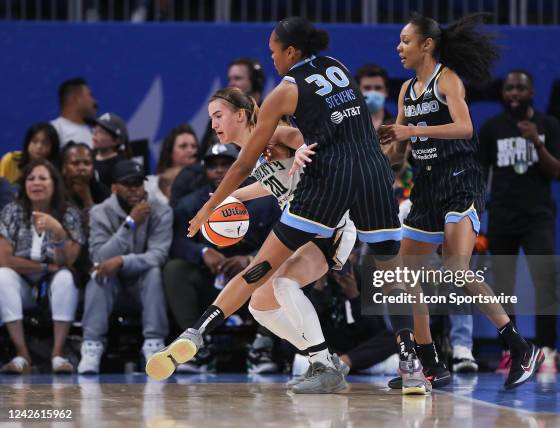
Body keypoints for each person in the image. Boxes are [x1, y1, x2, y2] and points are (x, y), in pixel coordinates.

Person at [147, 16, 400, 393]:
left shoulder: (277, 131)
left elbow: (306, 140)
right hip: (307, 215)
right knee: (260, 304)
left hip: (331, 219)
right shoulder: (261, 144)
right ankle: (324, 359)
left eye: (218, 115)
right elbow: (270, 183)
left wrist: (301, 155)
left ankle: (319, 363)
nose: (213, 123)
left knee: (276, 281)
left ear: (240, 112)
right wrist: (231, 198)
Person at [379, 13, 544, 391]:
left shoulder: (446, 79)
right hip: (426, 184)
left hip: (459, 179)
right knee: (402, 274)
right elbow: (401, 152)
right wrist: (381, 149)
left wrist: (411, 129)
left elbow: (465, 127)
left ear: (427, 45)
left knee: (456, 267)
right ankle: (429, 361)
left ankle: (520, 347)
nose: (398, 47)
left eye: (405, 40)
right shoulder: (406, 91)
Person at [163, 141, 279, 374]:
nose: (218, 170)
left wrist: (249, 259)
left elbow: (282, 240)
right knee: (174, 269)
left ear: (240, 166)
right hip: (210, 281)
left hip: (251, 281)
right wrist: (203, 253)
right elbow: (176, 242)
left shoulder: (264, 200)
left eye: (226, 164)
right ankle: (194, 346)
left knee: (278, 270)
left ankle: (262, 347)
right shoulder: (191, 203)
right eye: (213, 165)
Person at [479, 70, 560, 374]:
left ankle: (548, 350)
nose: (514, 93)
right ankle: (511, 351)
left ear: (532, 92)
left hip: (538, 216)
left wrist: (536, 143)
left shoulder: (548, 125)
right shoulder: (491, 129)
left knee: (546, 282)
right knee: (503, 286)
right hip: (502, 216)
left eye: (520, 88)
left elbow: (555, 171)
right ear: (503, 94)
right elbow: (481, 174)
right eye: (509, 88)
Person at [77, 160, 171, 374]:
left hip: (143, 285)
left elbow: (159, 256)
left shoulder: (161, 211)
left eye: (138, 183)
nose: (135, 189)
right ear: (114, 188)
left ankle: (154, 343)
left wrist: (122, 261)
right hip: (113, 286)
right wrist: (130, 223)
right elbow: (100, 257)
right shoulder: (99, 213)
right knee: (98, 275)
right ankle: (91, 345)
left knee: (154, 271)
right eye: (128, 184)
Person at [0, 159, 85, 374]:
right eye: (31, 179)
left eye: (43, 178)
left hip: (54, 287)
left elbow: (69, 260)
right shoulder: (12, 211)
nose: (36, 183)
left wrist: (59, 232)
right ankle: (22, 354)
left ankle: (57, 354)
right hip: (24, 286)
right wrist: (45, 268)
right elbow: (6, 260)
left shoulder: (69, 213)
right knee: (2, 275)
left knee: (66, 277)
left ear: (54, 184)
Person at [200, 58, 267, 152]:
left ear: (256, 82)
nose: (231, 84)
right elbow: (203, 155)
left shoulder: (271, 113)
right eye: (230, 79)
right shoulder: (219, 115)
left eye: (237, 78)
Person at [145, 124, 198, 206]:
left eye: (194, 146)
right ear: (170, 152)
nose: (190, 150)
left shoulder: (204, 182)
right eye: (183, 146)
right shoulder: (149, 184)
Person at [61, 142, 110, 211]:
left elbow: (106, 221)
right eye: (75, 163)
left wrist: (87, 199)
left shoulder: (103, 192)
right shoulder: (53, 189)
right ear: (64, 168)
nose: (82, 168)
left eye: (87, 163)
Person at [50, 78, 97, 147]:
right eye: (90, 95)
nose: (94, 101)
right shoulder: (54, 130)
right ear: (77, 99)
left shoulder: (94, 133)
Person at [87, 112, 130, 188]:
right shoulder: (88, 157)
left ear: (116, 141)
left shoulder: (120, 166)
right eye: (95, 129)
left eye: (102, 132)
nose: (95, 133)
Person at [355, 64, 394, 131]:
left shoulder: (396, 125)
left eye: (378, 88)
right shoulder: (349, 125)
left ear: (386, 92)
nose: (373, 92)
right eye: (367, 88)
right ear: (358, 91)